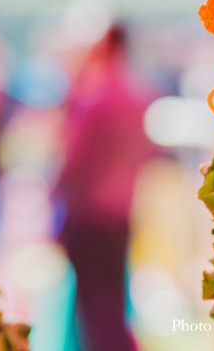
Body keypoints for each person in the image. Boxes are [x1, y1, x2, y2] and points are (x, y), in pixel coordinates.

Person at [55, 25, 155, 351]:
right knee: (112, 304)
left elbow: (74, 159)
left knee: (96, 310)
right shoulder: (139, 94)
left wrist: (53, 199)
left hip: (90, 214)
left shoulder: (95, 95)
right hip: (122, 211)